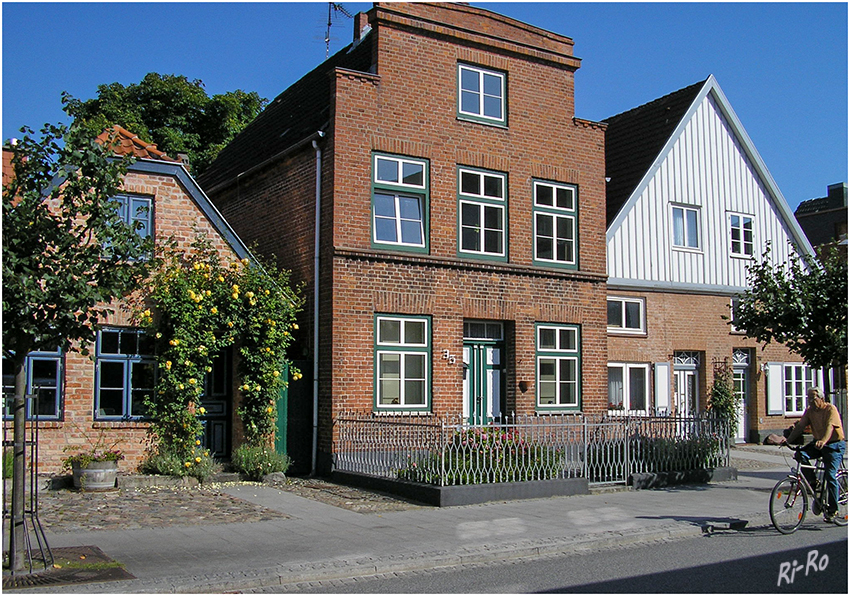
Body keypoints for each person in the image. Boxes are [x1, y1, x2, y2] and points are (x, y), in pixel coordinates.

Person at [781, 387, 846, 522]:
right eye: (808, 398)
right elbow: (800, 427)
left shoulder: (830, 409)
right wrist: (788, 441)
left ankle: (833, 510)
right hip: (819, 444)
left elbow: (830, 426)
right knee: (801, 454)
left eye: (813, 398)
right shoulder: (810, 411)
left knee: (830, 475)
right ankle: (814, 483)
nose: (810, 401)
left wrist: (823, 440)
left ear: (821, 398)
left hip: (834, 445)